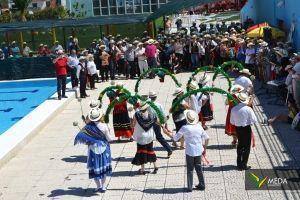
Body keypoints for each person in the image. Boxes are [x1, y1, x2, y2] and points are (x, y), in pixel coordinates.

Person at [74, 108, 113, 193]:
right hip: (103, 148)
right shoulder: (104, 126)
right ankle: (103, 187)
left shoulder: (88, 127)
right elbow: (109, 139)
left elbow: (83, 137)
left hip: (93, 149)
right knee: (104, 168)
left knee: (95, 167)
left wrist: (90, 141)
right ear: (100, 116)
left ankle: (98, 186)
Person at [173, 110, 209, 192]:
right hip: (199, 150)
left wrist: (168, 133)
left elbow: (175, 138)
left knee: (190, 170)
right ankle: (202, 185)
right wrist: (205, 148)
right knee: (199, 168)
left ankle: (190, 187)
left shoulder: (184, 128)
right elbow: (207, 138)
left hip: (190, 151)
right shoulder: (199, 126)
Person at [230, 92, 257, 170]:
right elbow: (254, 120)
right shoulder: (248, 109)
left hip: (238, 129)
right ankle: (244, 164)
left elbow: (232, 122)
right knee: (247, 147)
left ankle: (239, 164)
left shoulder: (233, 109)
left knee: (240, 145)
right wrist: (248, 121)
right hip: (246, 129)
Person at [132, 102, 158, 175]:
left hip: (141, 136)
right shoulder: (152, 114)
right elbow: (157, 122)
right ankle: (155, 166)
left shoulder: (136, 114)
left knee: (141, 152)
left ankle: (143, 169)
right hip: (150, 135)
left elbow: (133, 125)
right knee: (150, 150)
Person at [148, 91, 173, 158]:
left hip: (149, 123)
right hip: (157, 122)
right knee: (159, 137)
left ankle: (149, 152)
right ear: (156, 97)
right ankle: (169, 149)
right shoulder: (159, 105)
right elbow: (163, 115)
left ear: (149, 97)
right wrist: (165, 125)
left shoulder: (147, 105)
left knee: (148, 137)